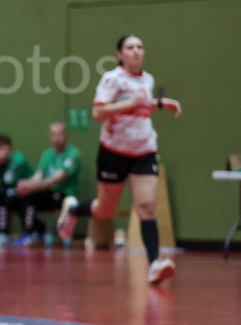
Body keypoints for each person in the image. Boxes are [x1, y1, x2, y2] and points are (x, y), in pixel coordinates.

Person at [57, 34, 182, 285]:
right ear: (120, 54)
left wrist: (161, 103)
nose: (136, 51)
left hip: (144, 150)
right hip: (114, 152)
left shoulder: (147, 79)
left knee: (146, 207)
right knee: (105, 210)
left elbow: (141, 106)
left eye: (140, 47)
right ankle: (72, 209)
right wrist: (130, 104)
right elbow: (98, 112)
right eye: (130, 47)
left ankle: (155, 264)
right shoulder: (112, 79)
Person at [12, 121, 82, 246]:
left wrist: (32, 187)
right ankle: (39, 229)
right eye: (53, 134)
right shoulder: (48, 154)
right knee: (16, 198)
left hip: (63, 195)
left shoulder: (73, 154)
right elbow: (39, 175)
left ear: (66, 135)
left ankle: (30, 232)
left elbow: (56, 179)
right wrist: (26, 183)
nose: (56, 137)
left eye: (59, 134)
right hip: (47, 193)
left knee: (29, 198)